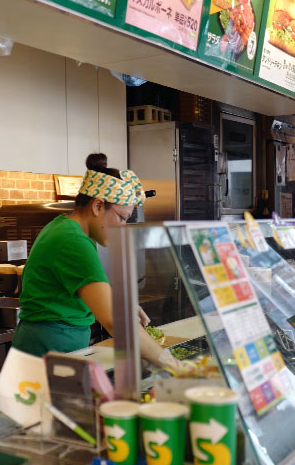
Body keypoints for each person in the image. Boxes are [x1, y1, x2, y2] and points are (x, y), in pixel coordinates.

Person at [12, 153, 179, 369]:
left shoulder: (69, 229)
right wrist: (172, 364)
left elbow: (90, 289)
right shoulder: (72, 240)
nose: (123, 228)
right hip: (45, 355)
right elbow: (115, 321)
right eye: (122, 218)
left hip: (57, 352)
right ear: (98, 206)